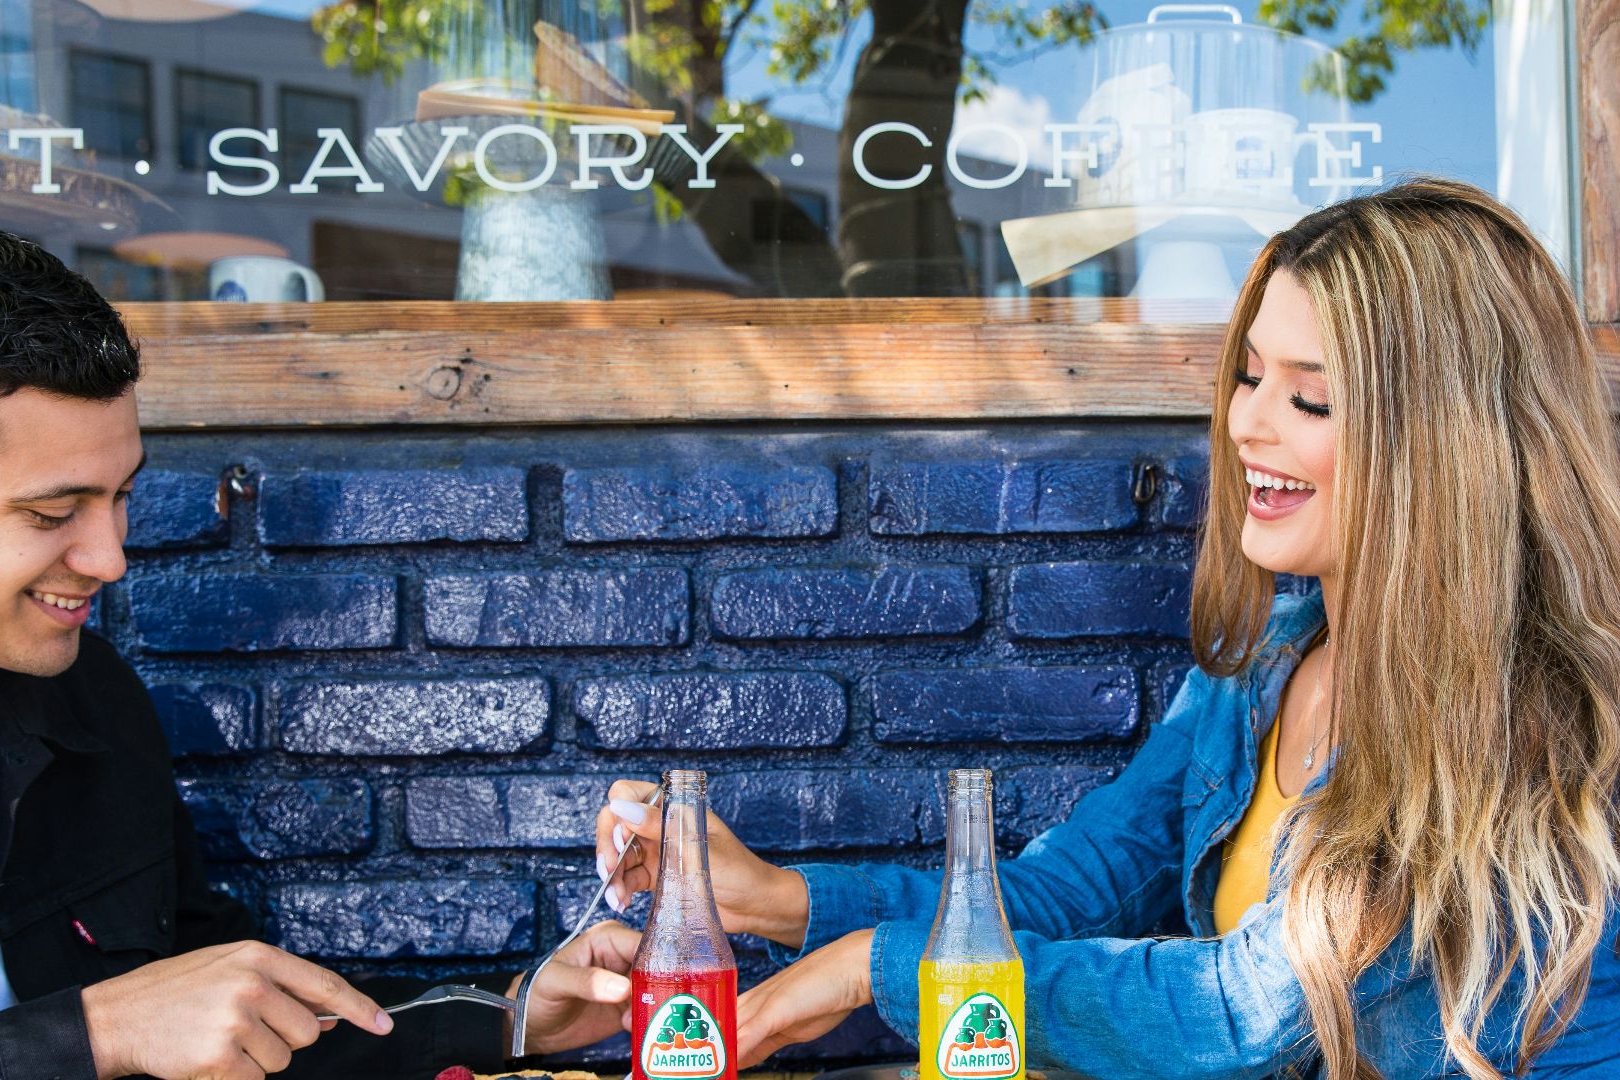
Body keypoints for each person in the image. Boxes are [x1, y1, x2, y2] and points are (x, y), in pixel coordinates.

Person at [593, 178, 1620, 1078]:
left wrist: (870, 971)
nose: (1246, 421)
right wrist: (773, 897)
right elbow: (1065, 893)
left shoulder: (1516, 720)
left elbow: (1232, 1014)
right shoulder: (1259, 671)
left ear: (1442, 449)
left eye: (1309, 398)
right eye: (1251, 375)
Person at [0, 220, 638, 1080]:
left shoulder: (85, 692)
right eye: (52, 512)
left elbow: (231, 1009)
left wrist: (508, 1019)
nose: (108, 558)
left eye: (121, 498)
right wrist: (93, 1033)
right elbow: (129, 1022)